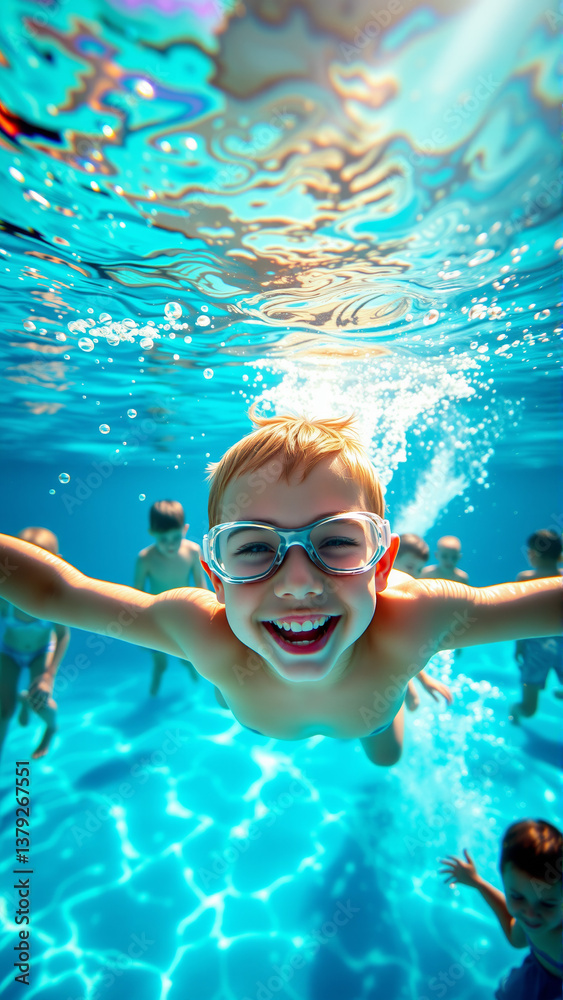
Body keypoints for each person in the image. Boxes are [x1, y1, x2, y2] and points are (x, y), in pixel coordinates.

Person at [0, 411, 561, 768]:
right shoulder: (204, 633)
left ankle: (401, 690)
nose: (298, 581)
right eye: (253, 548)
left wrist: (413, 657)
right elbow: (57, 592)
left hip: (369, 707)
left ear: (383, 566)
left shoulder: (415, 620)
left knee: (386, 759)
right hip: (272, 674)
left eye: (338, 541)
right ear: (215, 579)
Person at [439, 819, 563, 998]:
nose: (529, 913)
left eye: (547, 904)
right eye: (517, 897)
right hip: (535, 978)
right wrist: (477, 882)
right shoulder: (535, 916)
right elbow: (516, 938)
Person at [0, 527, 70, 759]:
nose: (29, 574)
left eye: (38, 565)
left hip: (41, 651)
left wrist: (49, 676)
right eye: (23, 563)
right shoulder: (5, 597)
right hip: (9, 652)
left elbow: (63, 635)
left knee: (39, 703)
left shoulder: (54, 600)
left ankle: (51, 728)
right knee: (3, 710)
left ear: (55, 564)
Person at [134, 499, 207, 695]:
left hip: (184, 617)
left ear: (185, 529)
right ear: (152, 533)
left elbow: (202, 587)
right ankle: (152, 698)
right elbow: (136, 595)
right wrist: (138, 631)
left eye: (176, 537)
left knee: (187, 659)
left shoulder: (193, 551)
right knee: (160, 665)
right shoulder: (145, 559)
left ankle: (196, 689)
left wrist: (205, 620)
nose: (170, 544)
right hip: (156, 619)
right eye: (163, 539)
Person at [394, 533, 452, 713]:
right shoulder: (377, 594)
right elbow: (394, 647)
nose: (413, 575)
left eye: (419, 570)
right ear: (389, 559)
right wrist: (417, 684)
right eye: (409, 567)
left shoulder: (404, 598)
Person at [511, 529, 563, 723]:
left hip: (534, 650)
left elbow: (518, 616)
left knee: (529, 709)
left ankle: (516, 711)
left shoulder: (525, 578)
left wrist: (518, 646)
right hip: (540, 650)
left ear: (533, 553)